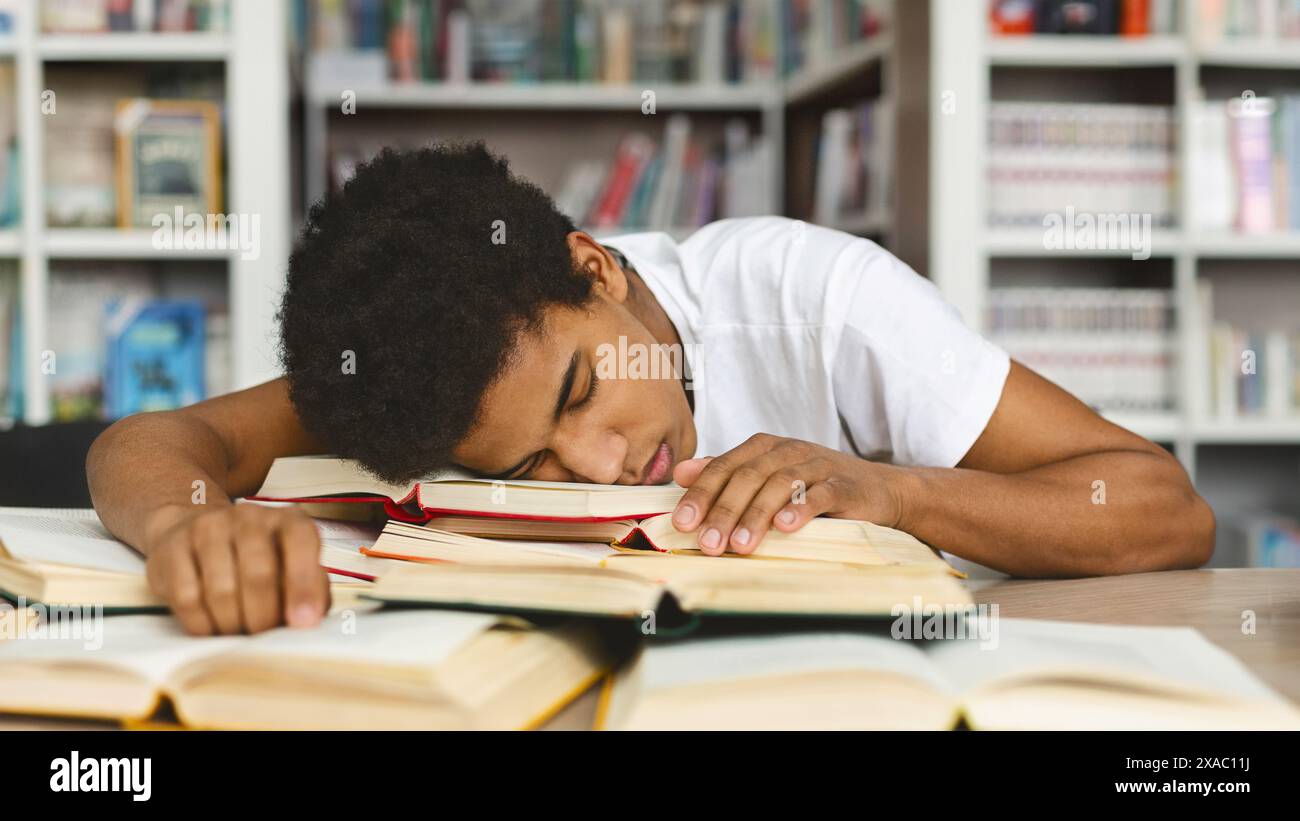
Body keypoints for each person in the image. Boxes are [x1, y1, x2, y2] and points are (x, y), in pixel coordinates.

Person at [86, 143, 1214, 636]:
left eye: (583, 391)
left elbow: (1164, 508)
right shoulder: (427, 372)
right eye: (525, 464)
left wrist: (894, 493)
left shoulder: (813, 299)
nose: (596, 463)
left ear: (599, 266)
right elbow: (155, 438)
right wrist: (194, 527)